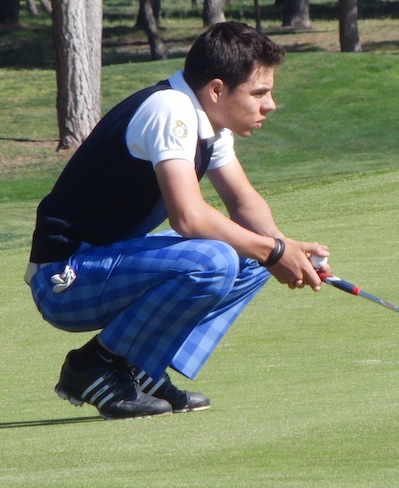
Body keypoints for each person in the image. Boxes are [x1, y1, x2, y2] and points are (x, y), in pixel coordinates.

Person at [25, 22, 330, 420]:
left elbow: (243, 201)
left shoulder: (207, 120)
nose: (270, 104)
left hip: (105, 266)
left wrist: (284, 249)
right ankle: (94, 366)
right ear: (217, 89)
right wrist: (274, 252)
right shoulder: (170, 110)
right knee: (216, 261)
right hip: (63, 280)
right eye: (259, 93)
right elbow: (188, 217)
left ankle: (140, 368)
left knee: (253, 256)